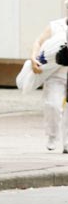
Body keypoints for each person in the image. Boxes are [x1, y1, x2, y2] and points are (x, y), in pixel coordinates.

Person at [31, 12, 68, 152]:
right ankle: (53, 135)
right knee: (52, 105)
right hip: (55, 74)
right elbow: (39, 42)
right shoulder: (56, 26)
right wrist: (33, 58)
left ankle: (67, 142)